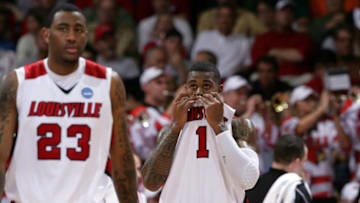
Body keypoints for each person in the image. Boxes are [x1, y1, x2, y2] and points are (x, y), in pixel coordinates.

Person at [0, 3, 138, 203]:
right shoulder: (18, 82)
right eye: (63, 29)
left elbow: (121, 158)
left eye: (79, 29)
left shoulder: (109, 82)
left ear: (86, 35)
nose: (72, 36)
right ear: (46, 35)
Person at [141, 61, 260, 203]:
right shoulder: (170, 131)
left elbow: (248, 180)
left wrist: (218, 126)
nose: (199, 92)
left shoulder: (238, 125)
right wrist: (177, 126)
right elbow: (151, 183)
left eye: (206, 86)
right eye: (193, 86)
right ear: (185, 89)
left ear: (220, 90)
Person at [281, 86, 350, 202]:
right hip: (299, 192)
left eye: (313, 99)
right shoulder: (288, 123)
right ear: (295, 104)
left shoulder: (326, 124)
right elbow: (299, 128)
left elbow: (345, 146)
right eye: (306, 100)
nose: (311, 103)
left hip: (326, 191)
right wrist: (322, 109)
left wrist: (335, 116)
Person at [191, 3, 252, 78]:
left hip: (230, 82)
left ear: (234, 20)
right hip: (204, 80)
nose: (224, 20)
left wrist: (235, 77)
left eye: (228, 16)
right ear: (216, 18)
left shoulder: (243, 41)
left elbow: (247, 65)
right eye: (221, 16)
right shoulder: (204, 36)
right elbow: (194, 60)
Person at [246, 134, 312, 203]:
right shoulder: (296, 189)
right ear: (296, 162)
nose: (304, 167)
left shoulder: (253, 186)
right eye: (304, 161)